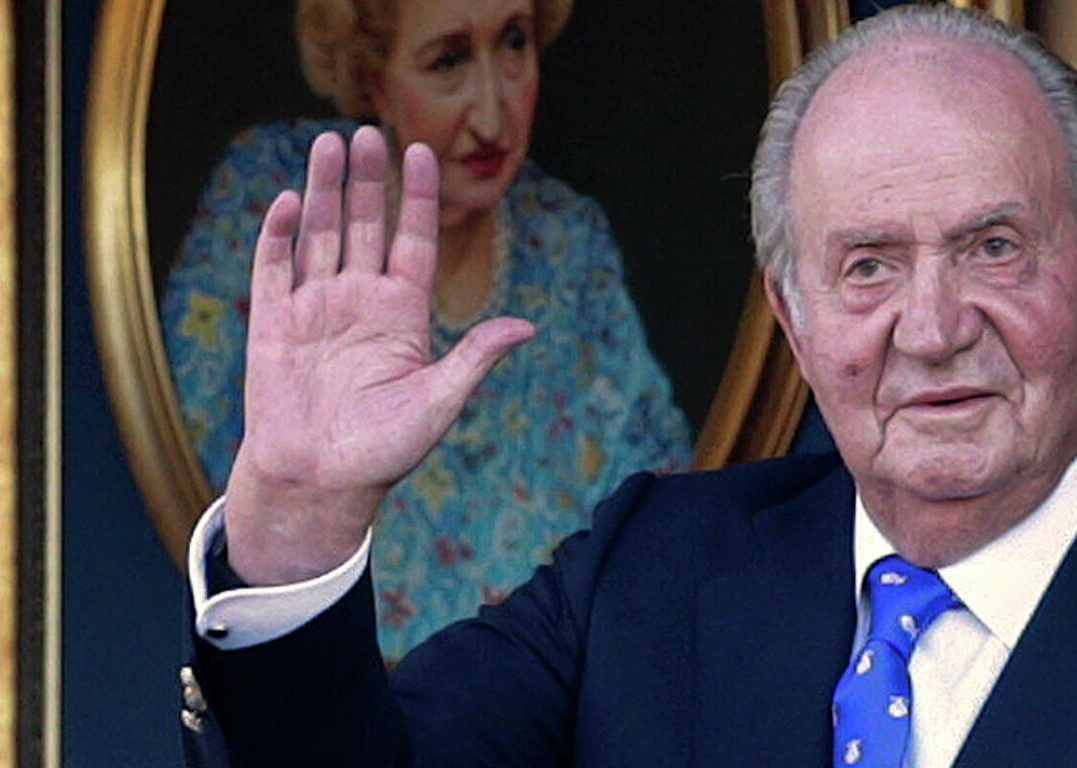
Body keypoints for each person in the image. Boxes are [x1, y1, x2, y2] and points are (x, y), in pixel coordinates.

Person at [178, 6, 1077, 766]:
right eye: (867, 266)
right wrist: (296, 521)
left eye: (993, 246)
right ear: (791, 314)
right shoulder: (653, 571)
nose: (933, 327)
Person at [159, 0, 691, 660]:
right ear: (373, 78)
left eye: (514, 43)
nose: (494, 114)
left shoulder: (566, 241)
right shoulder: (271, 205)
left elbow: (658, 514)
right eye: (448, 61)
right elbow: (190, 481)